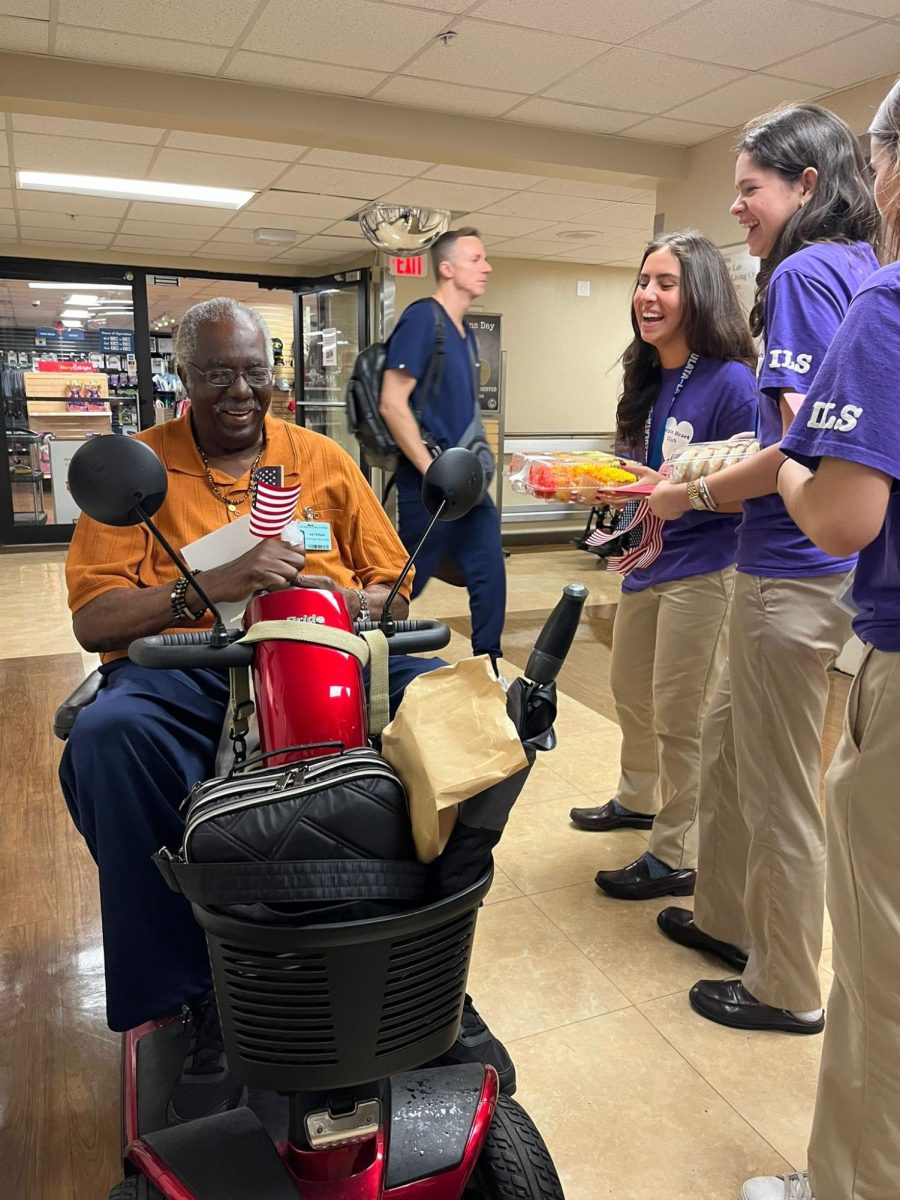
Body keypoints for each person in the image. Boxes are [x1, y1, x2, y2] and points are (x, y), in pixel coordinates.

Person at [60, 297, 514, 1124]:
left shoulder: (319, 458)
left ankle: (429, 959)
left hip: (323, 649)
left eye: (253, 374)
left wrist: (366, 601)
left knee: (458, 720)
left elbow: (390, 576)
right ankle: (193, 993)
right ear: (182, 376)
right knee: (109, 736)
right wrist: (212, 587)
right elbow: (95, 620)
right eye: (215, 374)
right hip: (191, 664)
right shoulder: (141, 468)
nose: (239, 391)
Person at [651, 105, 880, 1033]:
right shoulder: (860, 269)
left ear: (806, 188)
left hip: (787, 571)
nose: (738, 207)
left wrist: (690, 494)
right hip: (816, 573)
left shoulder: (803, 272)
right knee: (728, 745)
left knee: (780, 781)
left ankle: (786, 984)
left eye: (750, 188)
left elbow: (796, 446)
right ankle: (730, 918)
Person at [739, 76, 900, 1200]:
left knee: (883, 964)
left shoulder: (862, 295)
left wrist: (761, 473)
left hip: (828, 598)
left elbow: (840, 507)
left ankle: (851, 1184)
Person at [570, 233, 758, 901]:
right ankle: (639, 798)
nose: (647, 295)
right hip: (651, 559)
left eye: (666, 283)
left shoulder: (732, 380)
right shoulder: (651, 375)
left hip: (707, 567)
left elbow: (752, 479)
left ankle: (677, 850)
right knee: (630, 690)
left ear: (699, 293)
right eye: (643, 281)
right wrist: (613, 486)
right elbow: (658, 474)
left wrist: (679, 494)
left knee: (683, 713)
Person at [379, 227, 506, 665]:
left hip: (466, 487)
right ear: (447, 269)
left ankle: (489, 666)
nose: (486, 266)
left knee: (490, 571)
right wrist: (433, 473)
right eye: (476, 259)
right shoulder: (422, 319)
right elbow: (392, 403)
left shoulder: (465, 333)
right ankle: (369, 652)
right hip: (429, 488)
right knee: (401, 584)